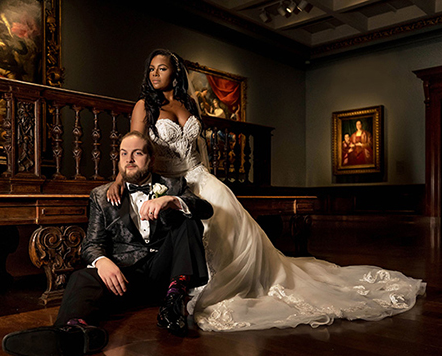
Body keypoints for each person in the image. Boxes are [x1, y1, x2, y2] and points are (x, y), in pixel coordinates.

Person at [107, 48, 426, 332]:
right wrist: (120, 179)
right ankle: (188, 284)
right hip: (171, 181)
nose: (155, 74)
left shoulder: (189, 103)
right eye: (151, 69)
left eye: (161, 68)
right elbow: (134, 147)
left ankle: (245, 281)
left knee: (237, 231)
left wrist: (207, 178)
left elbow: (199, 146)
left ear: (176, 72)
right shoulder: (143, 106)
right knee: (200, 231)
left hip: (201, 176)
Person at [2, 131, 213, 356]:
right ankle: (73, 333)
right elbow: (92, 244)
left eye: (137, 153)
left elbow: (204, 209)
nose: (129, 159)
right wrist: (102, 262)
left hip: (166, 273)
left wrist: (171, 200)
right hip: (126, 278)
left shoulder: (172, 185)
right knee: (82, 277)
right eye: (124, 154)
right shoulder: (101, 196)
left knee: (188, 221)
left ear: (150, 159)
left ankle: (174, 303)